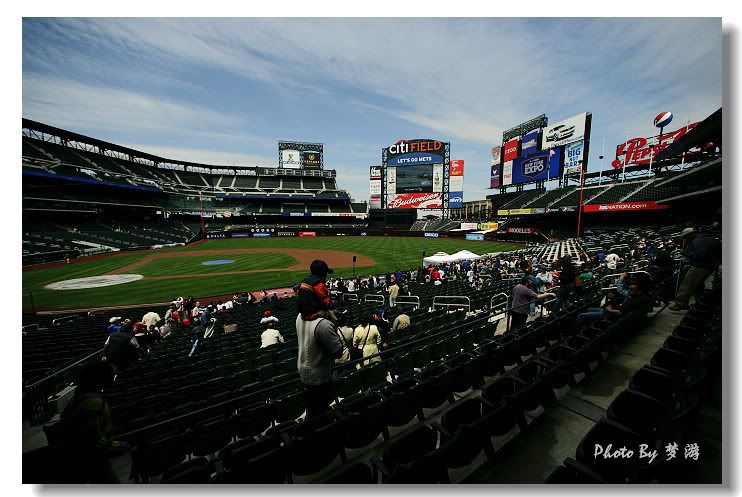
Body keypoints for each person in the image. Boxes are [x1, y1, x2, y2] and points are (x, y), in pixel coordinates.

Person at [56, 360, 128, 483]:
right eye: (112, 374)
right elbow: (94, 441)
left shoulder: (79, 396)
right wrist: (122, 445)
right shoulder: (95, 403)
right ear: (100, 380)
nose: (114, 376)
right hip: (93, 459)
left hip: (78, 457)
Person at [572, 277, 653, 332]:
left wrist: (610, 309)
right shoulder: (637, 298)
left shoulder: (634, 301)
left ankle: (572, 333)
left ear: (638, 291)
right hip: (610, 311)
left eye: (631, 289)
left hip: (608, 315)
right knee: (588, 309)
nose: (628, 290)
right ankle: (585, 327)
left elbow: (620, 312)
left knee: (581, 315)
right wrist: (613, 306)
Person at [670, 228, 722, 311]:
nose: (685, 239)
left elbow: (701, 255)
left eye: (686, 237)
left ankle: (681, 303)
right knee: (697, 285)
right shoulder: (706, 238)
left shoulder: (698, 241)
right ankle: (701, 303)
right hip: (710, 265)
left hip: (701, 266)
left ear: (691, 234)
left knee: (688, 283)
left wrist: (686, 253)